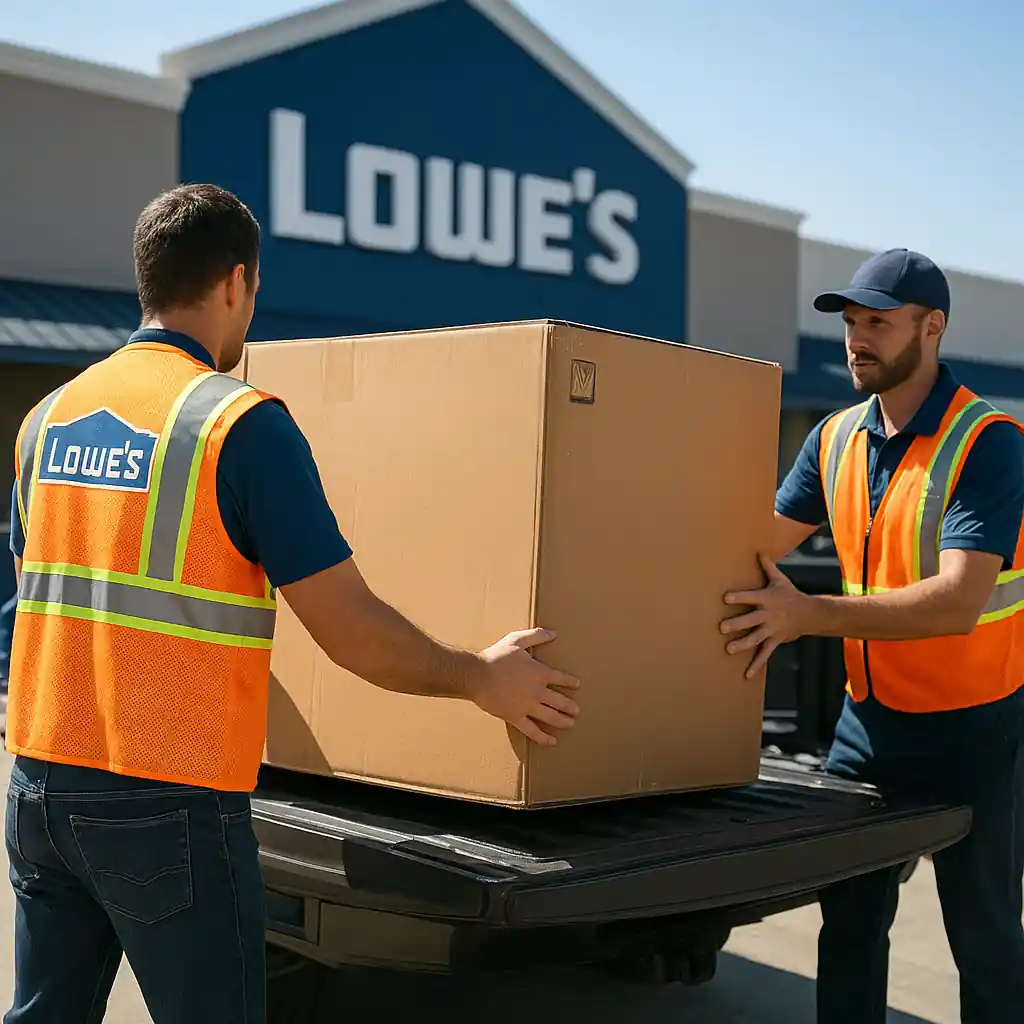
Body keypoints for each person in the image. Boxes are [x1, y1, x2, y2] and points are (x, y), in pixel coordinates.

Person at [4, 183, 582, 1024]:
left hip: (37, 791)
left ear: (148, 280)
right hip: (166, 803)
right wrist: (477, 676)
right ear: (237, 283)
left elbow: (51, 597)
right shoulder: (238, 424)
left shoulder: (44, 420)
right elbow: (350, 631)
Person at [719, 248, 1024, 1024]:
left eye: (877, 323)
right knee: (849, 928)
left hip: (980, 732)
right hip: (870, 725)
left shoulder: (988, 442)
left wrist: (808, 616)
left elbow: (957, 602)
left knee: (984, 944)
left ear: (932, 327)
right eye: (851, 323)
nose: (857, 338)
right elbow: (754, 544)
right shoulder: (834, 438)